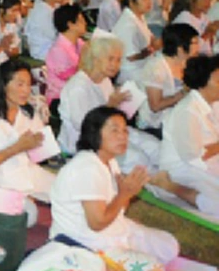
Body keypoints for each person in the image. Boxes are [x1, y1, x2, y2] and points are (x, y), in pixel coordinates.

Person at [49, 106, 179, 263]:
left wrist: (127, 194)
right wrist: (125, 194)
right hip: (86, 243)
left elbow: (118, 207)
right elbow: (97, 223)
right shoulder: (86, 168)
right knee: (154, 270)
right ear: (95, 133)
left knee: (169, 246)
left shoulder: (110, 162)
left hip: (110, 231)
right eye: (114, 131)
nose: (122, 136)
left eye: (125, 131)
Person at [0, 61, 56, 224]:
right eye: (20, 84)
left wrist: (43, 130)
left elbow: (43, 155)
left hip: (26, 173)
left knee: (70, 190)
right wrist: (17, 148)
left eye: (28, 85)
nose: (26, 90)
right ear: (3, 85)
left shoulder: (28, 114)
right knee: (27, 215)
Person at [57, 34, 160, 172]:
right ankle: (158, 182)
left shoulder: (105, 80)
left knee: (154, 146)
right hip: (89, 142)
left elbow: (113, 113)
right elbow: (85, 127)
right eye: (110, 59)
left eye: (118, 60)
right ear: (95, 59)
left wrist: (123, 105)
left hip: (112, 130)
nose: (115, 65)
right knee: (138, 159)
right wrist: (110, 106)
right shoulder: (78, 88)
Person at [155, 55, 219, 217]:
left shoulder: (214, 103)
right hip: (185, 168)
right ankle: (169, 186)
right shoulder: (187, 110)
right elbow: (195, 157)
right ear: (204, 82)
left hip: (210, 162)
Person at [137, 23, 197, 133]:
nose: (199, 46)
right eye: (195, 43)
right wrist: (183, 92)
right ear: (180, 47)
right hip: (155, 124)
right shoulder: (156, 67)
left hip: (176, 117)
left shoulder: (185, 62)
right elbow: (155, 106)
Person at [44, 4, 87, 104]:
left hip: (77, 91)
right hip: (60, 97)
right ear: (70, 25)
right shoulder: (58, 50)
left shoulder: (79, 43)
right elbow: (73, 79)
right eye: (81, 20)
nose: (85, 23)